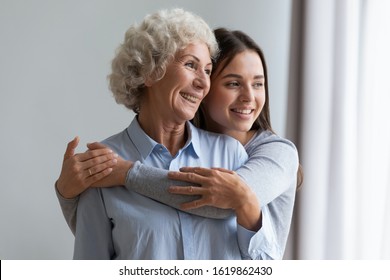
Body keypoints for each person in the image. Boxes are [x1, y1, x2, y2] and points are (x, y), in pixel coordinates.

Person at [57, 24, 301, 260]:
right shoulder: (103, 162)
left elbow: (224, 209)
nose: (201, 82)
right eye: (233, 83)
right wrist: (67, 194)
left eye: (206, 70)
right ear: (150, 72)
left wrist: (129, 174)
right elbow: (92, 248)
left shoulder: (249, 154)